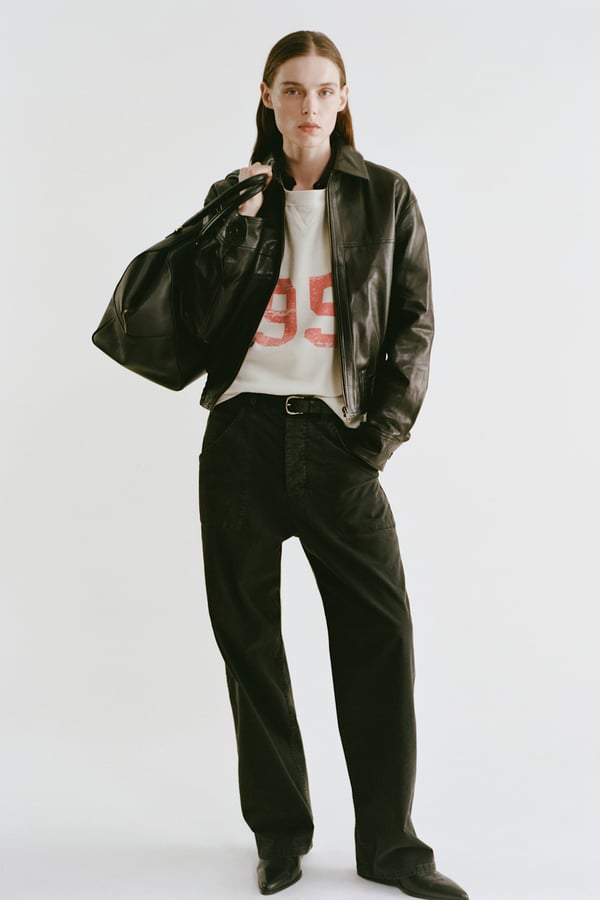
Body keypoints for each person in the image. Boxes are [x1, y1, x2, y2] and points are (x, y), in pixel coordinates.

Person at [194, 30, 469, 900]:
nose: (308, 105)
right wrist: (235, 232)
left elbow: (414, 324)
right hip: (240, 438)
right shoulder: (236, 196)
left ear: (343, 99)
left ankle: (391, 846)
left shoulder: (385, 196)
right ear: (267, 99)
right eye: (292, 90)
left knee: (379, 640)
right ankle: (280, 837)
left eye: (323, 90)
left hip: (338, 439)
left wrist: (378, 439)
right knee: (250, 644)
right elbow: (200, 322)